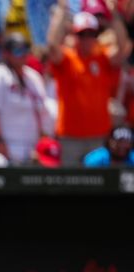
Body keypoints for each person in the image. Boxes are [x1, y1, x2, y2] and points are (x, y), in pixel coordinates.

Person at [46, 3, 130, 164]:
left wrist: (113, 15)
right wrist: (62, 10)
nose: (87, 38)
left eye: (91, 33)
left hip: (99, 137)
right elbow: (52, 46)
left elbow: (123, 47)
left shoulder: (102, 59)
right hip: (70, 138)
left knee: (98, 186)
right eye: (82, 34)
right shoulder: (67, 59)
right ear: (74, 35)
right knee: (70, 184)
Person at [0, 32, 50, 164]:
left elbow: (41, 111)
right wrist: (0, 142)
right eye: (18, 51)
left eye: (25, 51)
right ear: (6, 53)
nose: (22, 55)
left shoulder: (33, 77)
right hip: (3, 151)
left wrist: (41, 143)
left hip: (30, 150)